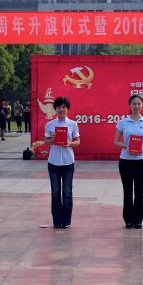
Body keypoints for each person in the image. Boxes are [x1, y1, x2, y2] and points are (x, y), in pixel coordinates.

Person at [114, 95, 143, 229]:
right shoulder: (122, 123)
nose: (136, 106)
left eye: (139, 104)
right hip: (125, 161)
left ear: (142, 105)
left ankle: (138, 220)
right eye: (134, 104)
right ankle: (128, 220)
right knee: (127, 191)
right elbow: (116, 141)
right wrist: (126, 146)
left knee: (139, 191)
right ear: (129, 105)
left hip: (141, 161)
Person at [44, 97, 80, 228]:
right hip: (53, 162)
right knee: (55, 192)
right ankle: (56, 220)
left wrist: (69, 143)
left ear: (67, 109)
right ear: (55, 109)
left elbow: (78, 142)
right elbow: (46, 142)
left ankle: (65, 221)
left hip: (68, 162)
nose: (61, 110)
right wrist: (52, 139)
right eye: (59, 107)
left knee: (67, 192)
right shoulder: (50, 124)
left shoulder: (72, 124)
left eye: (64, 107)